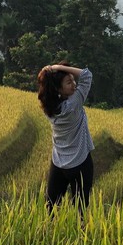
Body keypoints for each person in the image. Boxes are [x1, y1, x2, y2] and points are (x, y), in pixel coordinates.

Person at [37, 63, 95, 213]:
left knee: (50, 207)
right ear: (57, 88)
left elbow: (48, 88)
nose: (74, 85)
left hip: (58, 162)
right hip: (80, 162)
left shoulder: (48, 107)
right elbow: (86, 75)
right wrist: (58, 67)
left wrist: (50, 73)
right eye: (69, 82)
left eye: (73, 81)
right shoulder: (74, 104)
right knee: (80, 209)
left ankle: (47, 233)